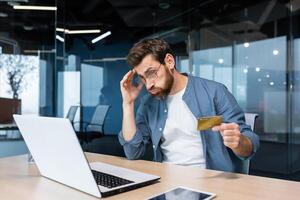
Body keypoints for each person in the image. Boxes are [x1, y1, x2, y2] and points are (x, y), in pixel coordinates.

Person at [118, 38, 259, 173]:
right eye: (142, 77)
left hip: (210, 180)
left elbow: (248, 146)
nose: (148, 85)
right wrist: (128, 103)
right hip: (166, 181)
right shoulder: (149, 104)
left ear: (169, 61)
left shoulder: (214, 92)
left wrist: (239, 142)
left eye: (151, 73)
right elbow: (133, 152)